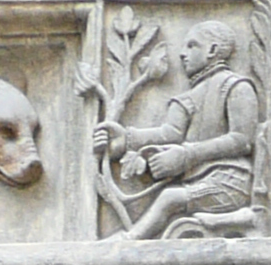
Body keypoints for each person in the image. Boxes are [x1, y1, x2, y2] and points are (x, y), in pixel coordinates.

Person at [99, 23, 262, 243]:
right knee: (169, 196)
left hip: (230, 181)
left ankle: (129, 239)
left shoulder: (236, 87)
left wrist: (186, 156)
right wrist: (127, 138)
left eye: (192, 46)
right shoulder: (188, 97)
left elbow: (241, 140)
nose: (182, 54)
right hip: (198, 182)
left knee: (169, 197)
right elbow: (170, 133)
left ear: (212, 51)